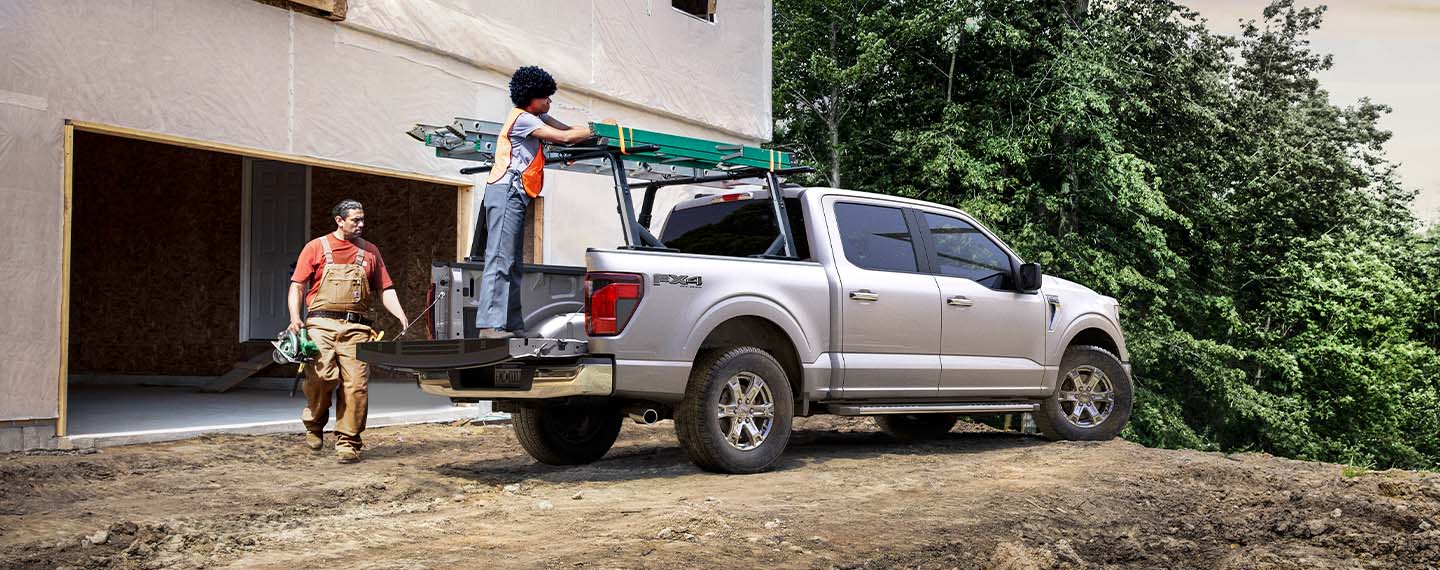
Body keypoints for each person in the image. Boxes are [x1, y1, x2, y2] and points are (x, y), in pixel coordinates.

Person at [475, 66, 594, 339]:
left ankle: (512, 325)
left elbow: (567, 130)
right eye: (546, 97)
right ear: (531, 97)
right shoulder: (523, 119)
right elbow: (564, 137)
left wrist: (593, 131)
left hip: (516, 194)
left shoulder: (537, 117)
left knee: (513, 262)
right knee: (501, 258)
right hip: (506, 191)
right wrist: (595, 129)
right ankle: (490, 326)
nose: (549, 102)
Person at [286, 199, 409, 463]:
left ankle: (348, 442)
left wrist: (400, 314)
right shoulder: (316, 247)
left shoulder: (370, 251)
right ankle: (315, 422)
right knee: (322, 377)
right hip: (321, 324)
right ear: (339, 221)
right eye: (355, 220)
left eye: (363, 219)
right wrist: (295, 318)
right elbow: (297, 285)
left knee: (356, 386)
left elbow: (385, 289)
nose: (361, 224)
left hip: (357, 327)